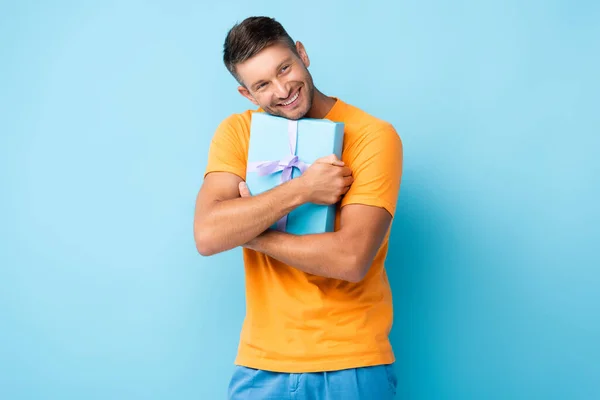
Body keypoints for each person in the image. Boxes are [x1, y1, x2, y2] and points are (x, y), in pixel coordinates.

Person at [193, 16, 403, 400]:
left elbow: (351, 258)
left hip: (351, 362)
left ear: (302, 54)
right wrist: (304, 189)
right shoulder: (238, 132)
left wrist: (251, 232)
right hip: (262, 364)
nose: (282, 89)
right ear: (247, 95)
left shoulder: (373, 136)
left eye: (284, 68)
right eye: (262, 85)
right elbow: (208, 234)